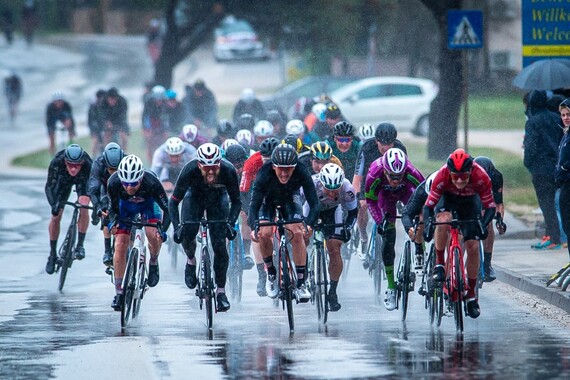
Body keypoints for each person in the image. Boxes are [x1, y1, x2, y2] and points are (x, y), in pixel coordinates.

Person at [423, 149, 496, 319]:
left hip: (470, 203)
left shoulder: (481, 176)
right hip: (447, 200)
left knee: (472, 246)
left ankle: (471, 295)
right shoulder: (442, 175)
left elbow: (490, 207)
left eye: (464, 175)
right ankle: (440, 264)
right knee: (442, 219)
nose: (460, 180)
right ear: (449, 172)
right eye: (455, 176)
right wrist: (427, 225)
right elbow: (428, 207)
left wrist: (483, 226)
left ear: (471, 171)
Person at [168, 143, 241, 312]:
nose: (210, 172)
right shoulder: (189, 170)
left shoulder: (228, 171)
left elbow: (236, 202)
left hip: (218, 199)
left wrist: (230, 223)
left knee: (219, 245)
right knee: (188, 232)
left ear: (220, 164)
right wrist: (178, 226)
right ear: (199, 165)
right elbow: (173, 203)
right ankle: (191, 260)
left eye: (214, 167)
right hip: (195, 197)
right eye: (206, 168)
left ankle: (221, 291)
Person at [248, 144, 319, 302]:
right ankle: (271, 274)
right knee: (264, 233)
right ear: (273, 166)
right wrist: (254, 227)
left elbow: (314, 203)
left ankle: (301, 282)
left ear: (295, 167)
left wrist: (309, 224)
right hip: (268, 201)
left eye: (289, 169)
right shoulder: (264, 173)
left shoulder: (301, 170)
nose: (285, 173)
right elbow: (253, 205)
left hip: (290, 199)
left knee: (298, 233)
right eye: (281, 169)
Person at [107, 155, 170, 310]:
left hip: (149, 206)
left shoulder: (152, 182)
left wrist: (162, 230)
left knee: (152, 235)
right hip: (125, 208)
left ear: (141, 179)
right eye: (126, 184)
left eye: (134, 183)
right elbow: (113, 209)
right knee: (120, 244)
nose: (129, 188)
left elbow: (168, 209)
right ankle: (119, 292)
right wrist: (113, 222)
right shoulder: (113, 183)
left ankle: (153, 261)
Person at [365, 148, 424, 311]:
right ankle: (391, 287)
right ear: (384, 170)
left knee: (420, 220)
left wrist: (421, 217)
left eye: (399, 176)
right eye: (392, 176)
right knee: (388, 237)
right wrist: (379, 221)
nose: (396, 180)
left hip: (408, 195)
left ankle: (419, 251)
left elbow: (425, 194)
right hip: (385, 198)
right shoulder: (374, 173)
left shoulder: (412, 172)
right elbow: (370, 201)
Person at [303, 163, 357, 311]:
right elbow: (298, 202)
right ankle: (303, 272)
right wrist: (305, 225)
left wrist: (347, 228)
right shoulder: (311, 183)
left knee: (334, 248)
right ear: (321, 184)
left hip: (333, 212)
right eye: (328, 190)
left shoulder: (348, 188)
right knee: (303, 237)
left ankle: (332, 292)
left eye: (336, 190)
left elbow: (352, 213)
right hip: (312, 208)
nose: (332, 194)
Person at [353, 122, 407, 250]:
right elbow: (358, 176)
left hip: (390, 182)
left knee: (390, 208)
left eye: (389, 144)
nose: (386, 148)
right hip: (368, 180)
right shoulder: (367, 147)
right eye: (383, 144)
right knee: (363, 205)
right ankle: (363, 236)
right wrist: (357, 196)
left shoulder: (400, 148)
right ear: (376, 141)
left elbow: (404, 175)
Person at [240, 137, 280, 296]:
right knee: (258, 231)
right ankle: (262, 275)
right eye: (265, 159)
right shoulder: (251, 162)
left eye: (272, 159)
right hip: (257, 196)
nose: (268, 162)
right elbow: (243, 192)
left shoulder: (285, 159)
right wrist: (249, 212)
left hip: (280, 194)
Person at [523, 90, 563, 250]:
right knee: (558, 202)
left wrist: (528, 163)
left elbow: (531, 146)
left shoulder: (532, 122)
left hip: (541, 168)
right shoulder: (556, 118)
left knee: (546, 204)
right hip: (557, 166)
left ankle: (553, 237)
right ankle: (555, 235)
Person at [45, 144, 93, 274]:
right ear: (65, 161)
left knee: (84, 204)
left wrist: (96, 207)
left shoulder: (88, 164)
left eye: (77, 165)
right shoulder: (57, 162)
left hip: (82, 181)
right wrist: (54, 205)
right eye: (70, 164)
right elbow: (49, 187)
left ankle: (80, 245)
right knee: (56, 215)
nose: (73, 168)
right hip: (62, 182)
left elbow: (94, 189)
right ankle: (52, 254)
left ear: (82, 162)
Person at [87, 142, 125, 266]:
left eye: (116, 169)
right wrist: (97, 207)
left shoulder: (126, 160)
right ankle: (107, 250)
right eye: (111, 169)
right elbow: (93, 190)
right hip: (104, 188)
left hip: (123, 186)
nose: (113, 173)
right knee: (106, 211)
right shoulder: (98, 164)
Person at [474, 156, 507, 282]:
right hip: (471, 198)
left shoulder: (496, 177)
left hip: (487, 199)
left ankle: (487, 264)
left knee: (488, 224)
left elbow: (498, 203)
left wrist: (500, 220)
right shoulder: (468, 174)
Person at [224, 144, 255, 270]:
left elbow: (251, 193)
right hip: (226, 194)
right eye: (234, 166)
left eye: (239, 166)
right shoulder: (222, 168)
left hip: (245, 194)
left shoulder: (250, 167)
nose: (237, 170)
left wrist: (246, 210)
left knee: (246, 216)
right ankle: (223, 252)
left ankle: (246, 253)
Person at [401, 172, 437, 271]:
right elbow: (407, 214)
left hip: (442, 208)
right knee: (421, 219)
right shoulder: (421, 192)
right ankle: (419, 251)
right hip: (424, 206)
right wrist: (410, 228)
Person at [556, 98, 570, 261]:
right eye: (563, 115)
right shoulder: (565, 134)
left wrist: (565, 167)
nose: (566, 118)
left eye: (568, 114)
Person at [142, 85, 169, 162]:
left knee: (163, 143)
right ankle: (151, 163)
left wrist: (165, 130)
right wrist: (146, 129)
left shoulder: (165, 105)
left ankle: (163, 161)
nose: (159, 102)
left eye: (161, 100)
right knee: (149, 144)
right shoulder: (148, 103)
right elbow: (145, 117)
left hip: (161, 125)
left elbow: (166, 118)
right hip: (151, 124)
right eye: (157, 100)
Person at [46, 91, 76, 157]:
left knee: (69, 124)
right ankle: (52, 155)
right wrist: (51, 130)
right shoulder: (50, 107)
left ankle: (71, 145)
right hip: (53, 119)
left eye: (60, 101)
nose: (59, 103)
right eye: (57, 101)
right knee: (51, 138)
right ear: (54, 101)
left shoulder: (66, 105)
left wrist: (72, 129)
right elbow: (48, 121)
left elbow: (71, 118)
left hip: (63, 117)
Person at [87, 89, 107, 156]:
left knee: (104, 142)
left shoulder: (105, 106)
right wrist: (93, 131)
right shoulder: (93, 107)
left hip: (103, 127)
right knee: (95, 142)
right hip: (94, 127)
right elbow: (90, 120)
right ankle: (92, 158)